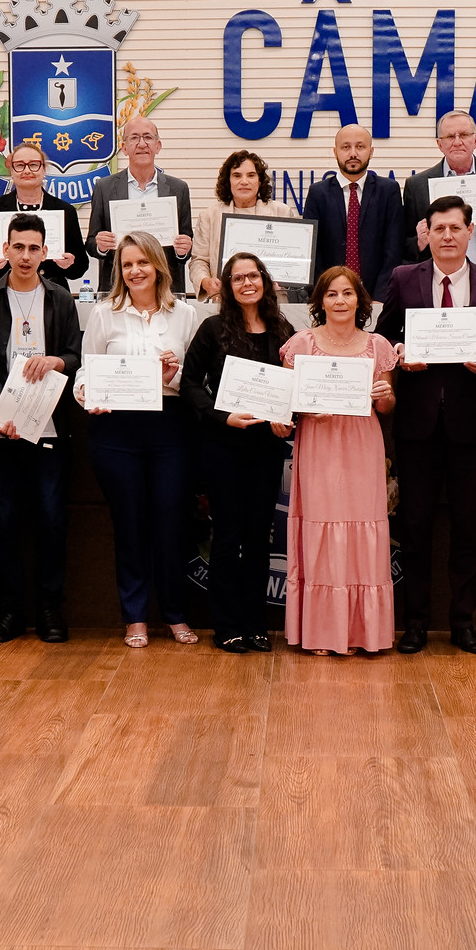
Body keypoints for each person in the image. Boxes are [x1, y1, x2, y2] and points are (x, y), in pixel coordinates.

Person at [374, 193, 476, 654]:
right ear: (427, 234)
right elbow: (384, 336)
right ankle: (415, 623)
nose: (448, 236)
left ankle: (463, 622)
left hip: (471, 426)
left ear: (470, 232)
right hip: (416, 425)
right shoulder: (403, 277)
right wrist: (398, 353)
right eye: (439, 228)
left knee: (468, 528)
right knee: (415, 527)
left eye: (456, 228)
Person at [76, 232, 205, 647]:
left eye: (143, 262)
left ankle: (175, 614)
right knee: (129, 524)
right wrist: (86, 394)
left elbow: (199, 380)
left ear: (158, 267)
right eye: (127, 264)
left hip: (171, 428)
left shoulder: (186, 314)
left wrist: (174, 375)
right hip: (116, 430)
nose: (135, 271)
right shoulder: (104, 313)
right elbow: (85, 371)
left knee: (171, 524)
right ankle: (134, 617)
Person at [0, 214, 83, 644]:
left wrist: (57, 361)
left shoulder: (60, 298)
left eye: (34, 248)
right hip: (2, 426)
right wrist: (0, 402)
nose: (25, 256)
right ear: (5, 249)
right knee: (2, 521)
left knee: (52, 520)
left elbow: (75, 355)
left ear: (45, 252)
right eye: (18, 247)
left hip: (49, 426)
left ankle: (50, 609)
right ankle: (9, 610)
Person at [180, 253, 295, 651]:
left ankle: (256, 625)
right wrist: (221, 416)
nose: (247, 283)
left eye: (253, 276)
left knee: (259, 537)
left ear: (265, 280)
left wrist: (287, 417)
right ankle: (227, 625)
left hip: (267, 447)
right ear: (227, 287)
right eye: (237, 278)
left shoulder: (284, 329)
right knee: (227, 535)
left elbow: (294, 386)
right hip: (223, 446)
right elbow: (190, 384)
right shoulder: (212, 328)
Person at [280, 266, 398, 654]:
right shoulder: (301, 344)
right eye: (332, 294)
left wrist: (385, 395)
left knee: (364, 526)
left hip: (362, 444)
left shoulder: (377, 345)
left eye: (347, 293)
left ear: (359, 300)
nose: (340, 301)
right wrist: (306, 409)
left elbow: (386, 404)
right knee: (321, 525)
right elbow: (286, 402)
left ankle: (364, 633)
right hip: (319, 442)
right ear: (320, 301)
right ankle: (322, 633)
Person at [401, 110, 476, 273]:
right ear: (439, 144)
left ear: (475, 140)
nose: (457, 142)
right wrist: (420, 242)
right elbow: (404, 246)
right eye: (450, 136)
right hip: (435, 280)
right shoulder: (417, 185)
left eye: (464, 135)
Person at [85, 116, 195, 293]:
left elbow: (186, 243)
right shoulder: (104, 188)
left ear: (158, 146)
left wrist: (183, 250)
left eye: (148, 137)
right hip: (120, 288)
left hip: (164, 287)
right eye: (134, 138)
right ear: (124, 148)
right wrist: (101, 246)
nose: (142, 144)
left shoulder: (178, 188)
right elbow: (91, 244)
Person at [0, 141, 87, 293]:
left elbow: (81, 265)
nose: (27, 170)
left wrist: (70, 264)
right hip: (4, 293)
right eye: (20, 165)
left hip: (52, 293)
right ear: (11, 170)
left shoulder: (64, 210)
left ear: (44, 170)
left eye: (34, 165)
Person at [304, 123, 405, 301]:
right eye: (346, 147)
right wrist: (326, 295)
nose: (353, 154)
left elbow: (393, 250)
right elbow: (313, 253)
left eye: (360, 147)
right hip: (331, 298)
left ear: (371, 151)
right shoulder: (318, 193)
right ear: (335, 152)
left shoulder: (388, 190)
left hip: (377, 297)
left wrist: (380, 297)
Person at [188, 149, 299, 298]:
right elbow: (199, 261)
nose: (244, 181)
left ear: (260, 181)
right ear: (228, 181)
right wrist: (205, 281)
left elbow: (294, 260)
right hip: (225, 300)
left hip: (272, 299)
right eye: (237, 175)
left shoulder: (282, 212)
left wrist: (285, 279)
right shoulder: (209, 216)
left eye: (251, 175)